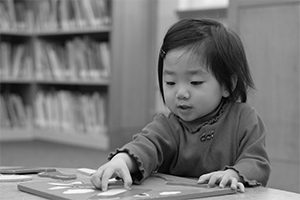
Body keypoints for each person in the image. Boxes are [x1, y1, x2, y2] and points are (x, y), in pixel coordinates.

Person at [91, 18, 271, 192]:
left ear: (227, 85)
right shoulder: (168, 125)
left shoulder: (245, 119)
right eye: (170, 82)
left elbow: (256, 161)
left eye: (195, 82)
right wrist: (122, 160)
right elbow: (146, 145)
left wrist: (234, 174)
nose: (181, 93)